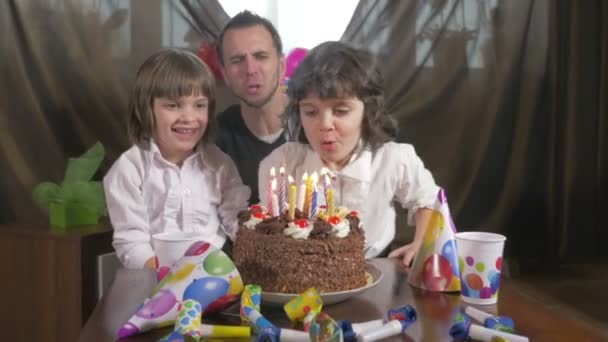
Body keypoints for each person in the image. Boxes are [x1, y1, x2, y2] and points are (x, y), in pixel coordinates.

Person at [258, 41, 440, 267]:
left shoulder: (394, 159)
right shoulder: (283, 163)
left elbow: (430, 200)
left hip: (374, 270)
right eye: (310, 111)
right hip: (302, 270)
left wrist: (423, 242)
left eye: (341, 111)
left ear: (367, 112)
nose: (325, 125)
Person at [103, 49, 250, 269]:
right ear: (146, 108)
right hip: (154, 282)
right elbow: (132, 241)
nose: (189, 118)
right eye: (173, 105)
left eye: (199, 105)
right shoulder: (129, 169)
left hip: (214, 277)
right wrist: (164, 280)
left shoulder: (220, 164)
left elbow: (236, 220)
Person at [215, 10, 288, 205]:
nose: (250, 70)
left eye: (261, 56)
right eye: (237, 60)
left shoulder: (316, 126)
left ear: (281, 66)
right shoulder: (214, 139)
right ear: (225, 74)